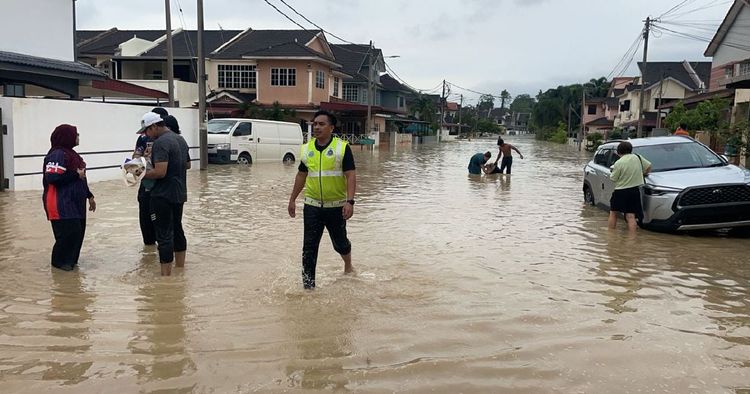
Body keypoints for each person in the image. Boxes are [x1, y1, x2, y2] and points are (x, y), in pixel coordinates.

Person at [288, 110, 356, 289]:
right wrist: (292, 199)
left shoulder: (342, 148)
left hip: (336, 207)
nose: (316, 127)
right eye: (315, 124)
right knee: (309, 249)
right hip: (312, 206)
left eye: (321, 124)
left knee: (340, 244)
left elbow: (350, 175)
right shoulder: (307, 149)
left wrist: (350, 201)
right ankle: (308, 288)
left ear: (331, 128)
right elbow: (301, 176)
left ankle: (348, 265)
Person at [42, 124, 96, 271]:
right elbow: (52, 177)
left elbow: (81, 178)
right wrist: (75, 174)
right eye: (76, 134)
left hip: (76, 204)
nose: (78, 137)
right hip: (61, 203)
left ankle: (71, 265)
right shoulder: (57, 154)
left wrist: (89, 196)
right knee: (68, 235)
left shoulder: (73, 155)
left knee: (77, 234)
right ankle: (59, 267)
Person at [140, 112, 188, 276]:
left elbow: (160, 172)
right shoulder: (180, 139)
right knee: (178, 229)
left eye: (147, 131)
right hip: (179, 193)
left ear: (154, 127)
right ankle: (180, 269)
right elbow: (187, 164)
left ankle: (165, 278)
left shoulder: (160, 143)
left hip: (162, 195)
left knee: (164, 235)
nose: (146, 135)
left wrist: (140, 173)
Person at [133, 108, 170, 245]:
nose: (146, 133)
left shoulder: (170, 139)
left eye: (147, 130)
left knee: (164, 226)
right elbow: (135, 158)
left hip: (164, 188)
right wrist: (143, 157)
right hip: (147, 185)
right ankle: (149, 252)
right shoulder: (143, 138)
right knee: (145, 219)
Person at [609, 141, 652, 232]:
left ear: (618, 152)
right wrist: (642, 174)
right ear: (630, 150)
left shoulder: (619, 163)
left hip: (620, 192)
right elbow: (649, 167)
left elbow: (613, 178)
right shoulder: (637, 157)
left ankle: (611, 236)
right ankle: (632, 240)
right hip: (634, 191)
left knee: (613, 213)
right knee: (631, 216)